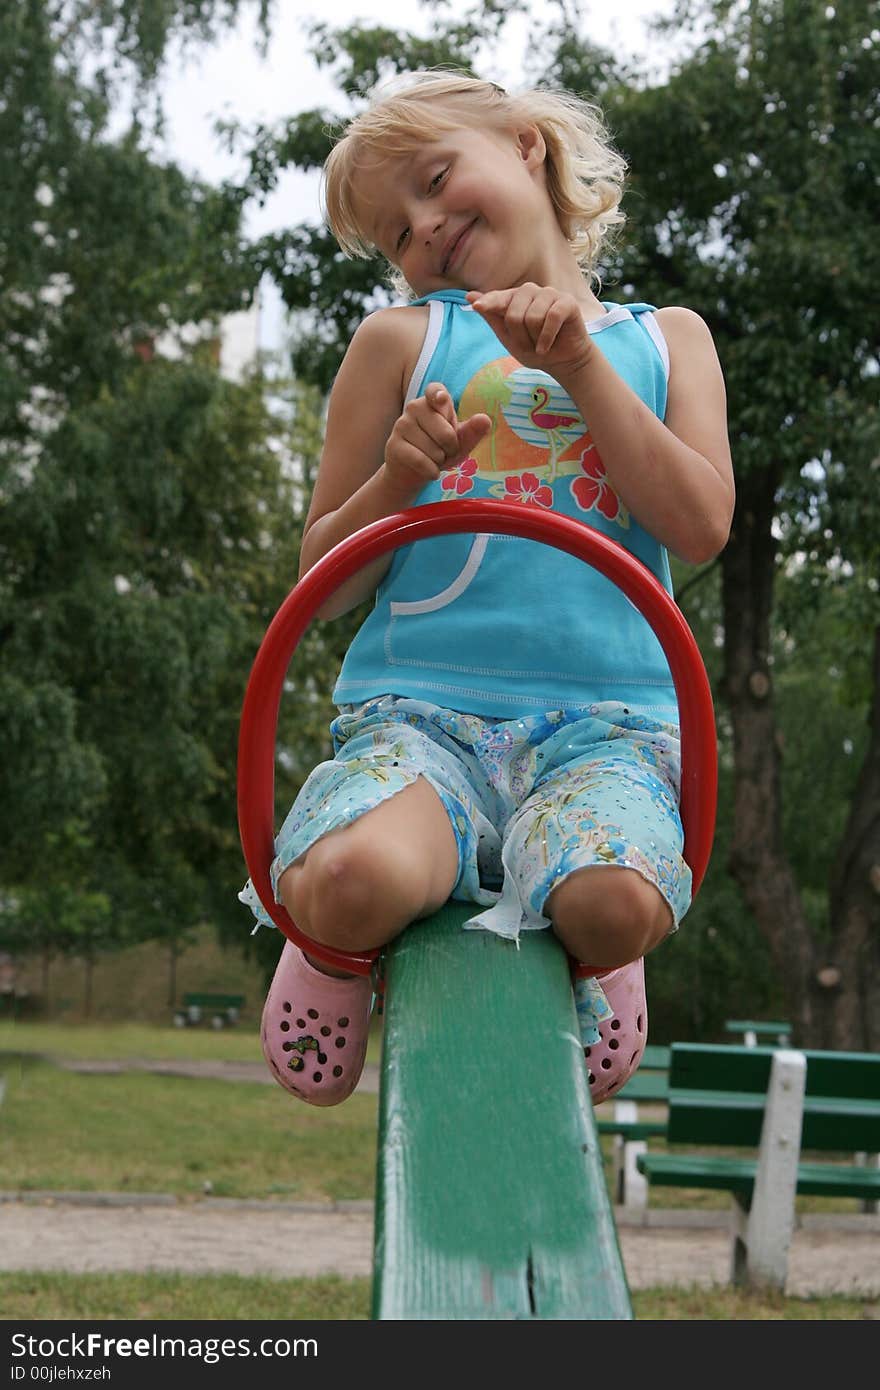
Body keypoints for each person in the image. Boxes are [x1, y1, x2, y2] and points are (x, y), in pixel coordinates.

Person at [240, 70, 733, 1107]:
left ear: (525, 146)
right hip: (422, 721)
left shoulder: (664, 342)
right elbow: (323, 585)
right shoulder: (402, 342)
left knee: (612, 901)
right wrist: (399, 478)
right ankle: (333, 951)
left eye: (432, 180)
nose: (425, 227)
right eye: (395, 232)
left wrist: (581, 367)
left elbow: (697, 524)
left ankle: (598, 947)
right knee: (350, 882)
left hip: (608, 728)